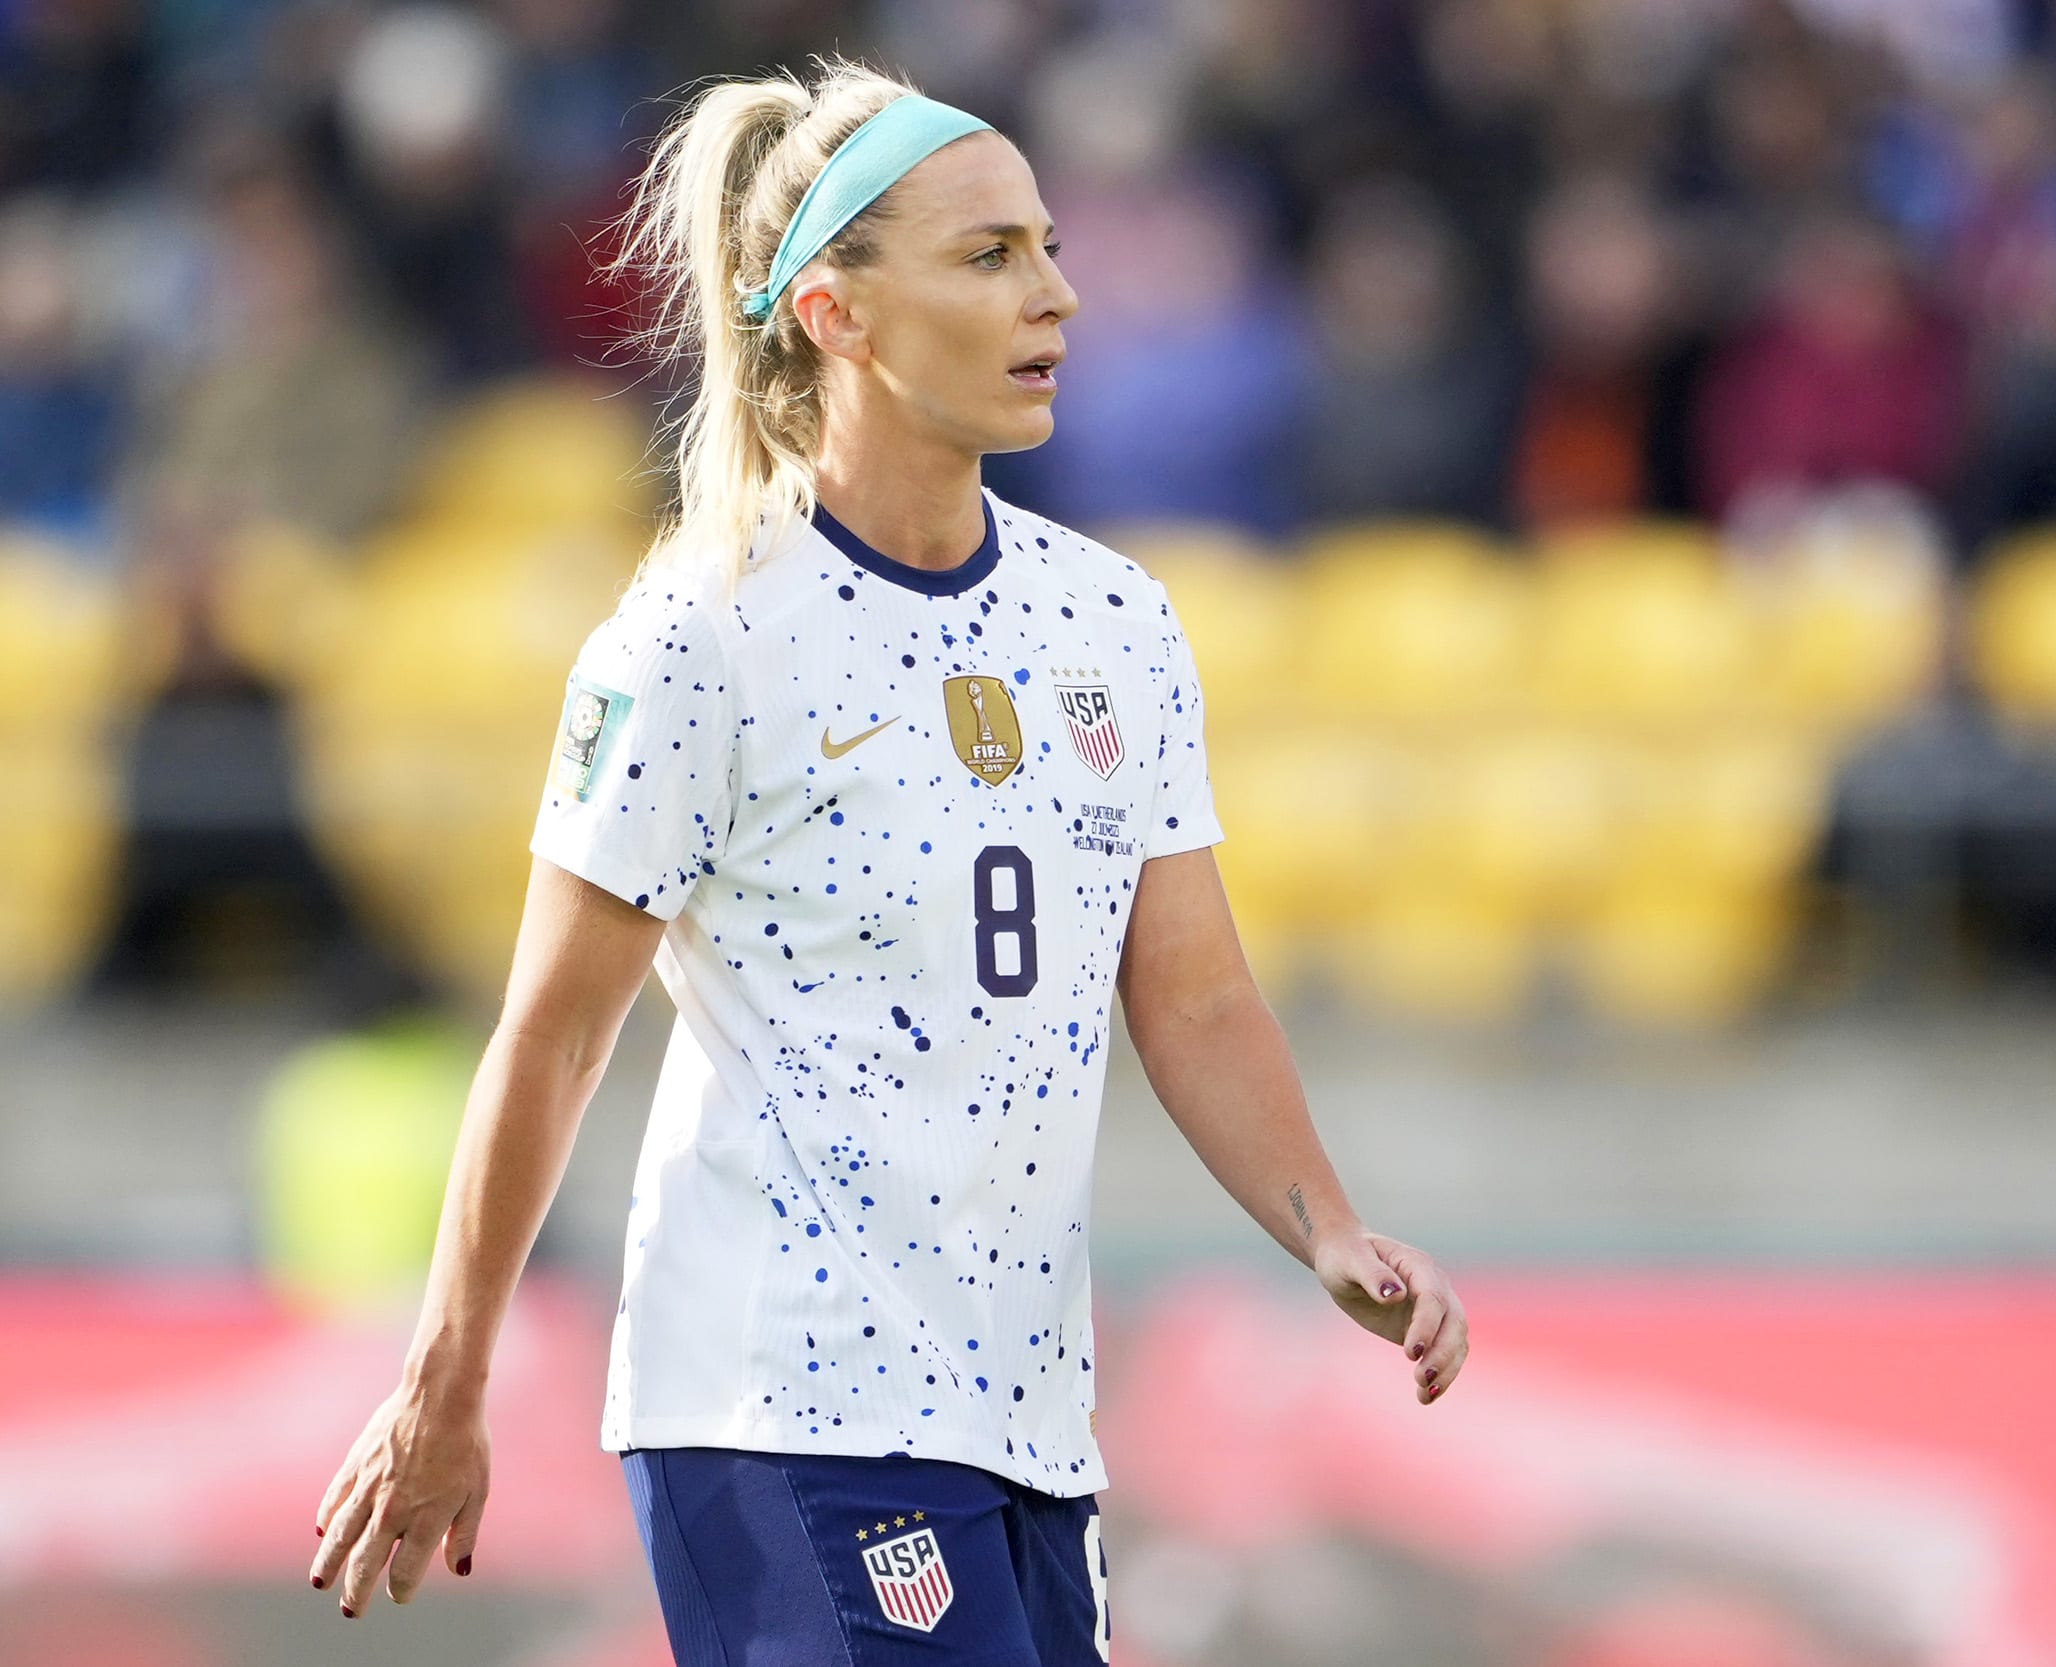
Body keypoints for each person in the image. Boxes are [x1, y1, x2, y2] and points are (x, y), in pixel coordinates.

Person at [305, 56, 1470, 1662]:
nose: (1055, 292)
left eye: (1050, 247)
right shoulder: (700, 636)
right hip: (777, 1399)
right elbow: (554, 1033)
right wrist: (448, 1381)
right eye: (990, 255)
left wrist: (1327, 1225)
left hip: (1025, 1415)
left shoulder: (1113, 622)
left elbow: (1192, 996)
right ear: (834, 314)